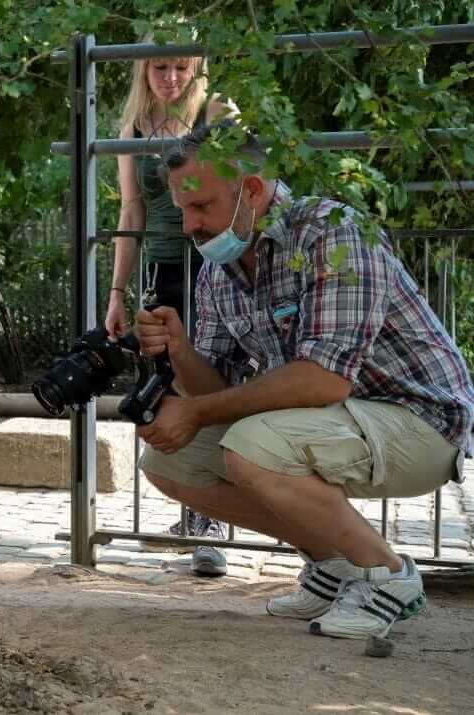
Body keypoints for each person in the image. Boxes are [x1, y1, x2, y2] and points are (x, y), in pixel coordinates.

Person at [133, 119, 474, 639]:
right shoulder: (216, 272)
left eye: (201, 207)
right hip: (331, 423)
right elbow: (216, 392)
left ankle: (389, 576)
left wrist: (198, 412)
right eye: (183, 210)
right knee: (167, 457)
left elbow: (324, 381)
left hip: (423, 422)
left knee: (252, 444)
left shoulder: (333, 233)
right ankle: (334, 566)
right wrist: (179, 350)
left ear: (250, 190)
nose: (189, 227)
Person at [105, 37, 238, 576]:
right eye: (160, 66)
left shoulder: (217, 109)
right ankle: (199, 510)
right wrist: (116, 292)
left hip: (218, 262)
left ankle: (217, 520)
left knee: (216, 380)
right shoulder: (133, 129)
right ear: (144, 69)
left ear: (197, 67)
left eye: (181, 66)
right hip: (166, 268)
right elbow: (131, 210)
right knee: (174, 383)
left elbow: (245, 178)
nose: (171, 76)